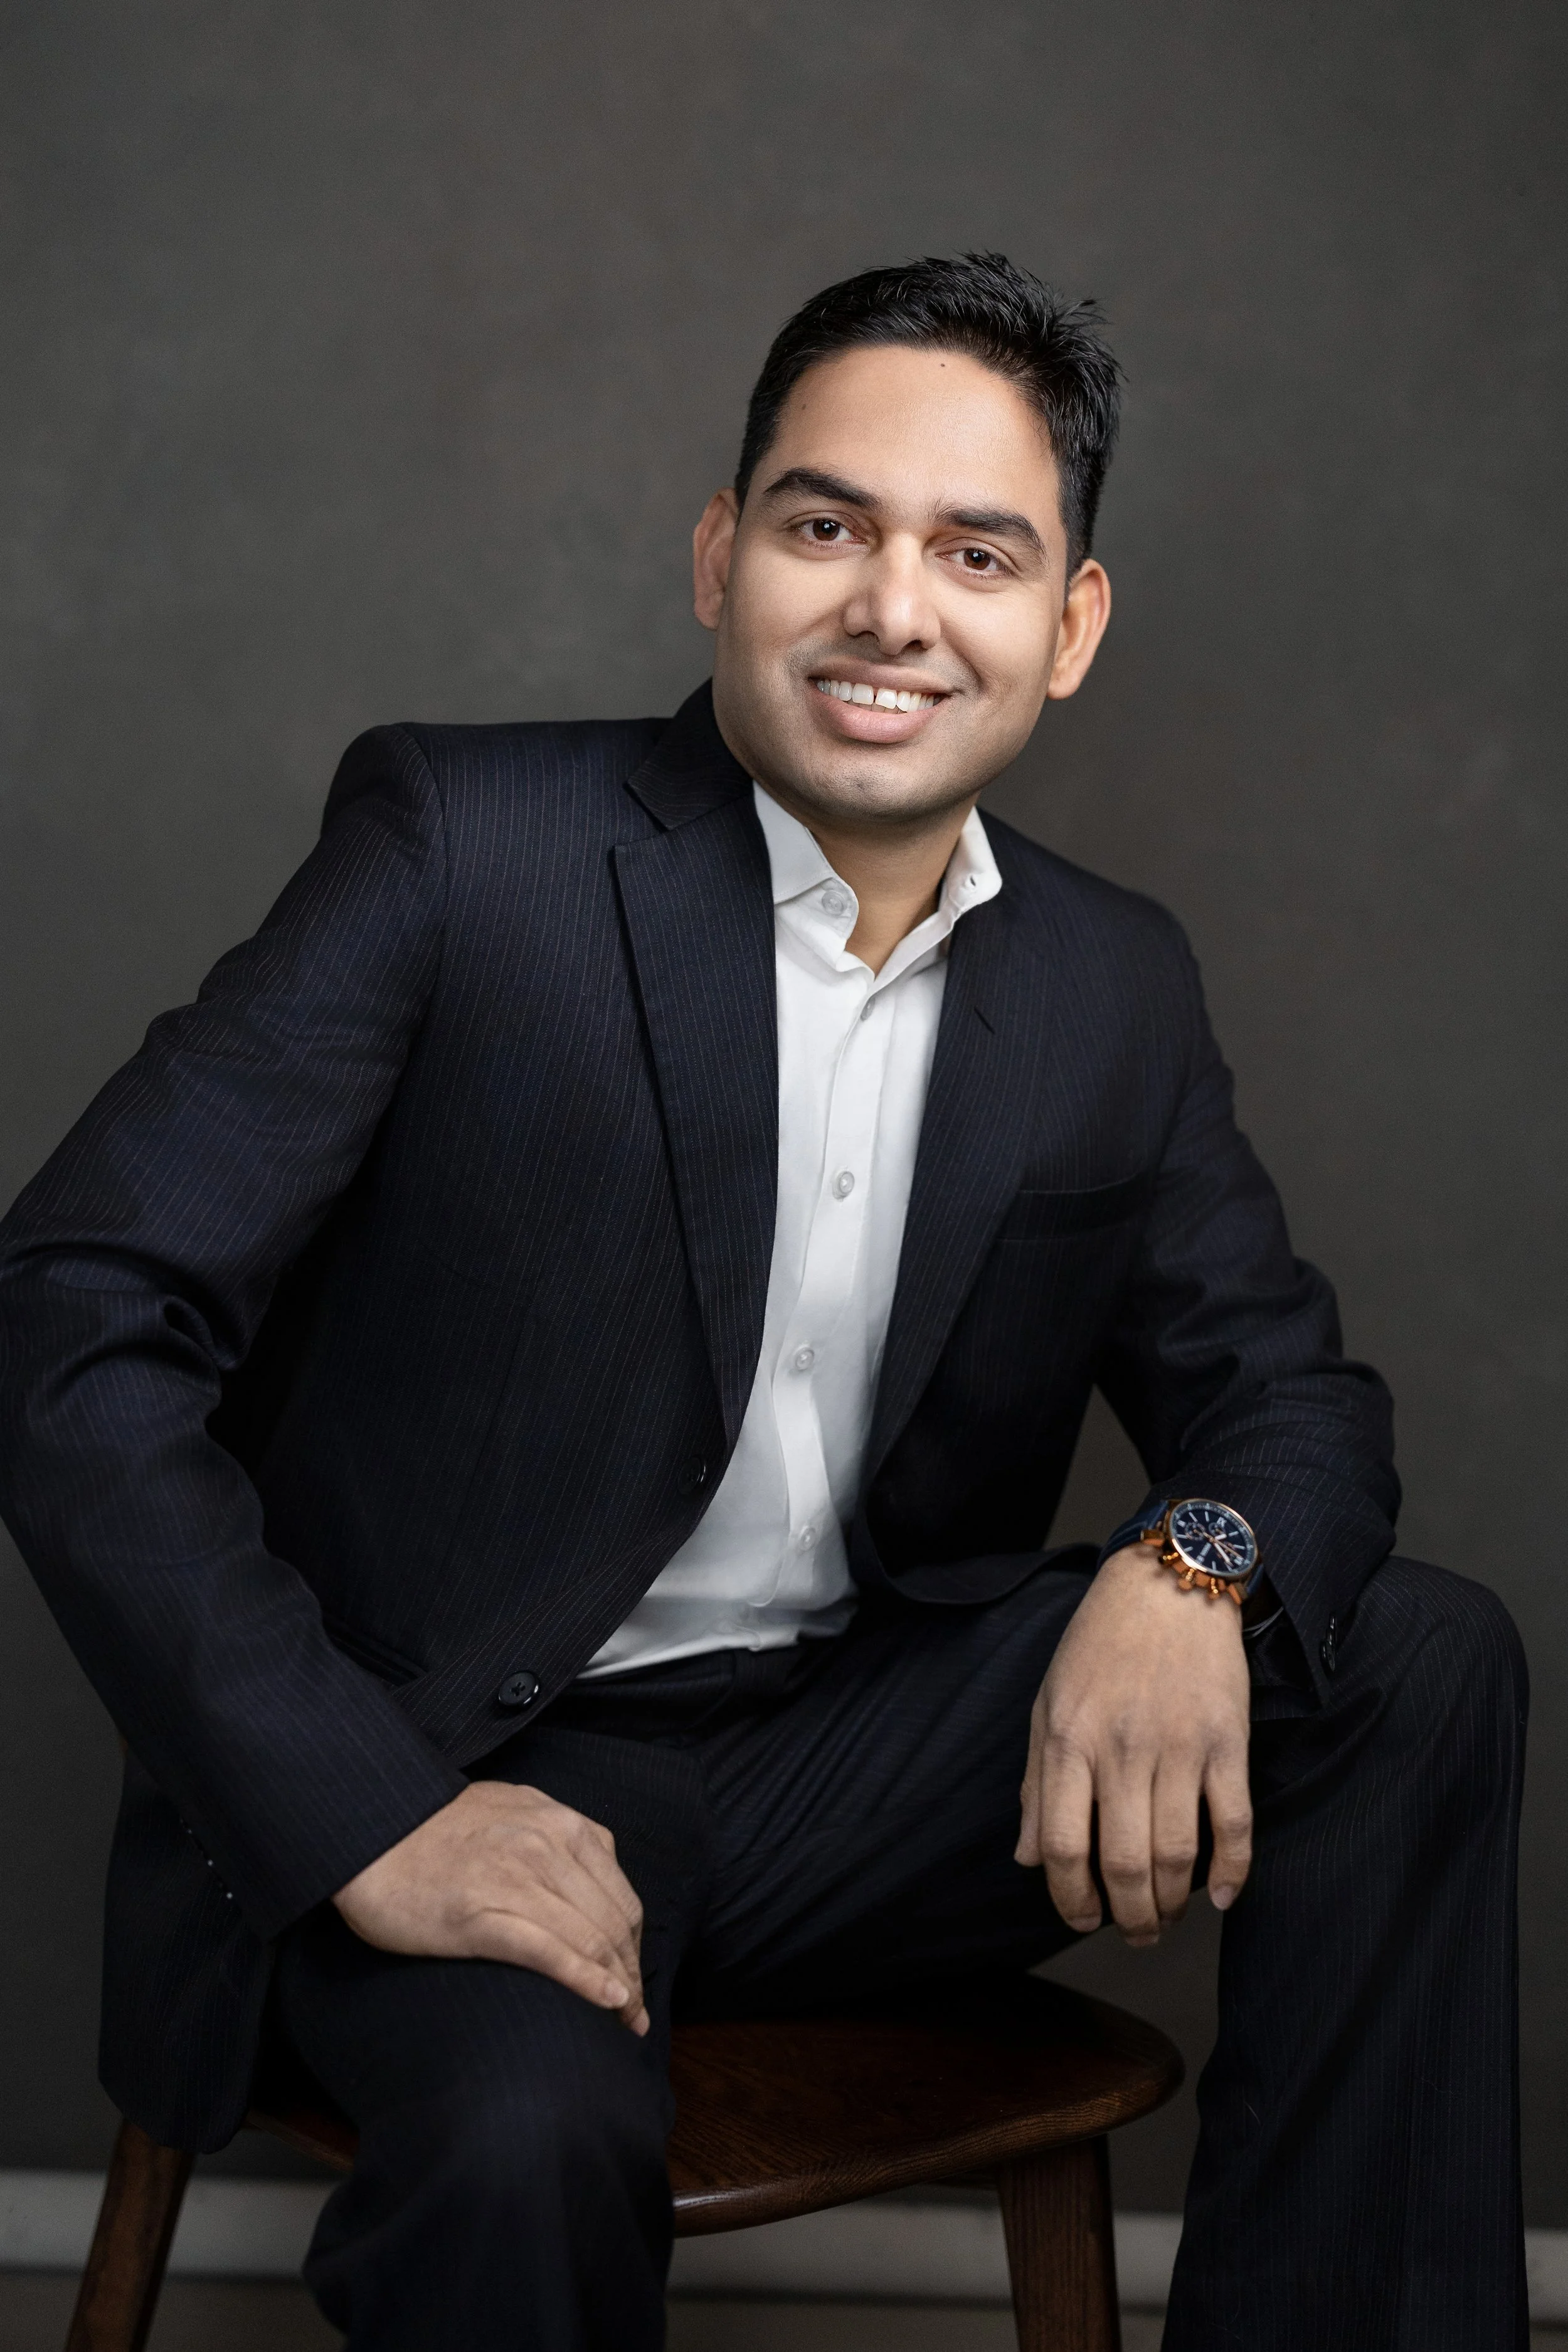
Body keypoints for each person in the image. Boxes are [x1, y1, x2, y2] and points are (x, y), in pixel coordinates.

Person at [0, 253, 1527, 2350]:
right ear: (723, 556)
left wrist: (1190, 1565)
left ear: (1067, 626)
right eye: (829, 524)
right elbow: (69, 1319)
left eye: (976, 552)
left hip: (851, 1770)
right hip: (456, 1766)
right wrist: (367, 1810)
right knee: (530, 2140)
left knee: (1415, 1659)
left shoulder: (1108, 980)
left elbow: (1289, 1396)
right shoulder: (468, 849)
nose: (895, 608)